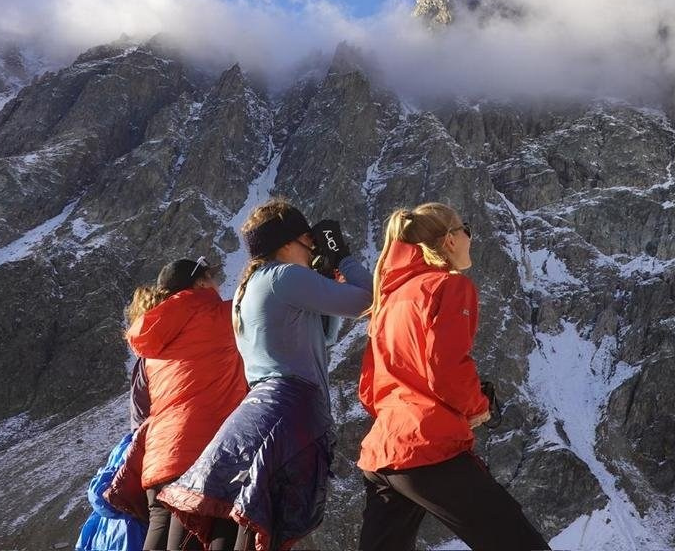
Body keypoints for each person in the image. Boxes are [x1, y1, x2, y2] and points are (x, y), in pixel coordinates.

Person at [160, 198, 373, 550]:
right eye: (309, 241)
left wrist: (321, 277)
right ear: (287, 242)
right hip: (291, 410)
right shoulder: (284, 277)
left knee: (235, 517)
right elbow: (366, 300)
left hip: (258, 410)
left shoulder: (251, 286)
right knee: (262, 523)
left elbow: (324, 334)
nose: (312, 248)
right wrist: (342, 255)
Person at [356, 203, 549, 551]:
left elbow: (369, 387)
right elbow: (444, 367)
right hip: (428, 447)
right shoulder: (449, 286)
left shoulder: (390, 296)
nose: (470, 239)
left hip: (383, 452)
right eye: (467, 230)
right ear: (449, 240)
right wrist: (477, 406)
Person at [126, 259, 248, 550]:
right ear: (201, 283)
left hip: (158, 460)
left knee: (159, 530)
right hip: (202, 456)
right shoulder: (221, 315)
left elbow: (140, 409)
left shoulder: (154, 338)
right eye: (212, 277)